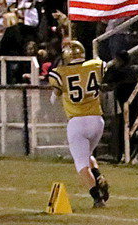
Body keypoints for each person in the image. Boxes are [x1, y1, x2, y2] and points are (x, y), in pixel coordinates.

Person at [46, 40, 110, 207]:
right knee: (87, 155)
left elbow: (55, 94)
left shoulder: (60, 73)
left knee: (81, 165)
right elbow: (103, 67)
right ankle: (98, 176)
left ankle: (97, 198)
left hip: (77, 122)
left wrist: (55, 94)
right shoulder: (96, 65)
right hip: (97, 120)